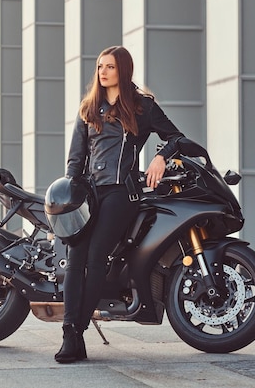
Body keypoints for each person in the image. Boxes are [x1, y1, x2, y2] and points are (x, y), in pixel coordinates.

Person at [54, 45, 185, 363]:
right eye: (100, 66)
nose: (102, 71)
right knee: (75, 257)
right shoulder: (89, 107)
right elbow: (75, 160)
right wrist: (72, 198)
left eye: (109, 66)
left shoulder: (142, 106)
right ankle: (70, 333)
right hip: (90, 195)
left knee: (97, 255)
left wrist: (159, 157)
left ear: (123, 70)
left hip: (122, 194)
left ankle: (78, 331)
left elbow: (177, 138)